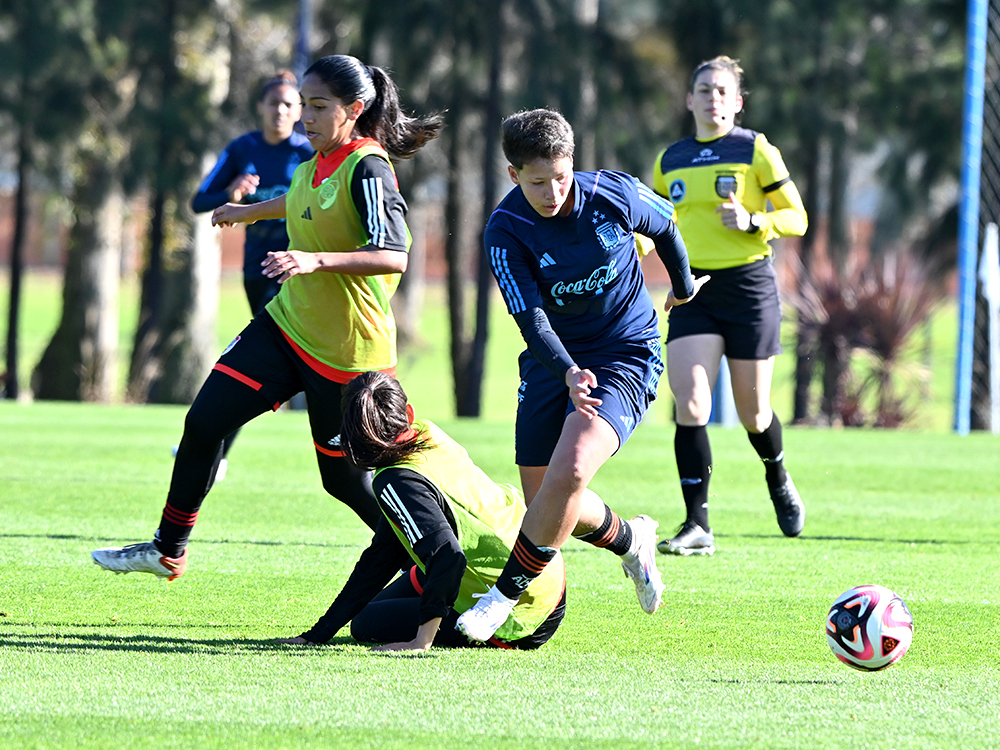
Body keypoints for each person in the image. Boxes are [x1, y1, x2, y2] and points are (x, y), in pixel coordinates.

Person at [92, 55, 443, 581]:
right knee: (203, 422)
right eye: (305, 104)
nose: (307, 116)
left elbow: (394, 254)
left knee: (343, 481)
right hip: (285, 327)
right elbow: (303, 201)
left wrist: (313, 260)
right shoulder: (315, 163)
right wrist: (245, 211)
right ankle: (168, 547)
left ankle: (427, 559)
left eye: (319, 106)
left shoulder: (368, 167)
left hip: (346, 355)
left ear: (356, 108)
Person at [455, 109, 705, 642]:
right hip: (554, 360)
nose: (552, 193)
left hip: (625, 353)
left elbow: (666, 226)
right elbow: (531, 319)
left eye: (561, 177)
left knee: (570, 471)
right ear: (513, 174)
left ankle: (502, 597)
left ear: (574, 163)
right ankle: (631, 541)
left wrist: (682, 287)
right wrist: (567, 370)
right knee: (546, 495)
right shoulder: (506, 230)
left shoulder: (613, 194)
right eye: (537, 182)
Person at [280, 371, 566, 652]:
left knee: (366, 624)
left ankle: (453, 628)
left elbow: (448, 559)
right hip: (540, 570)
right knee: (374, 610)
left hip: (523, 613)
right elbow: (382, 555)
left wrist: (421, 641)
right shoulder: (426, 432)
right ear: (408, 411)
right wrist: (318, 634)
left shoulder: (393, 479)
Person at [651, 56, 808, 556]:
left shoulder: (754, 149)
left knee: (753, 412)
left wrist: (754, 220)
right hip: (694, 288)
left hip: (748, 289)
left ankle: (778, 475)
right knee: (691, 404)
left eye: (722, 91)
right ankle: (697, 525)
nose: (712, 97)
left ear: (736, 103)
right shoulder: (669, 159)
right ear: (689, 100)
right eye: (703, 89)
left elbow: (797, 218)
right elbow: (649, 228)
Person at [190, 70, 314, 474]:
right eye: (273, 103)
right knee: (271, 360)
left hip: (297, 270)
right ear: (260, 107)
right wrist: (233, 193)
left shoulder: (309, 153)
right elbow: (200, 201)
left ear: (298, 112)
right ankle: (217, 445)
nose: (279, 110)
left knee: (259, 357)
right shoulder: (242, 148)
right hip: (255, 268)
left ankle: (216, 448)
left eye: (288, 104)